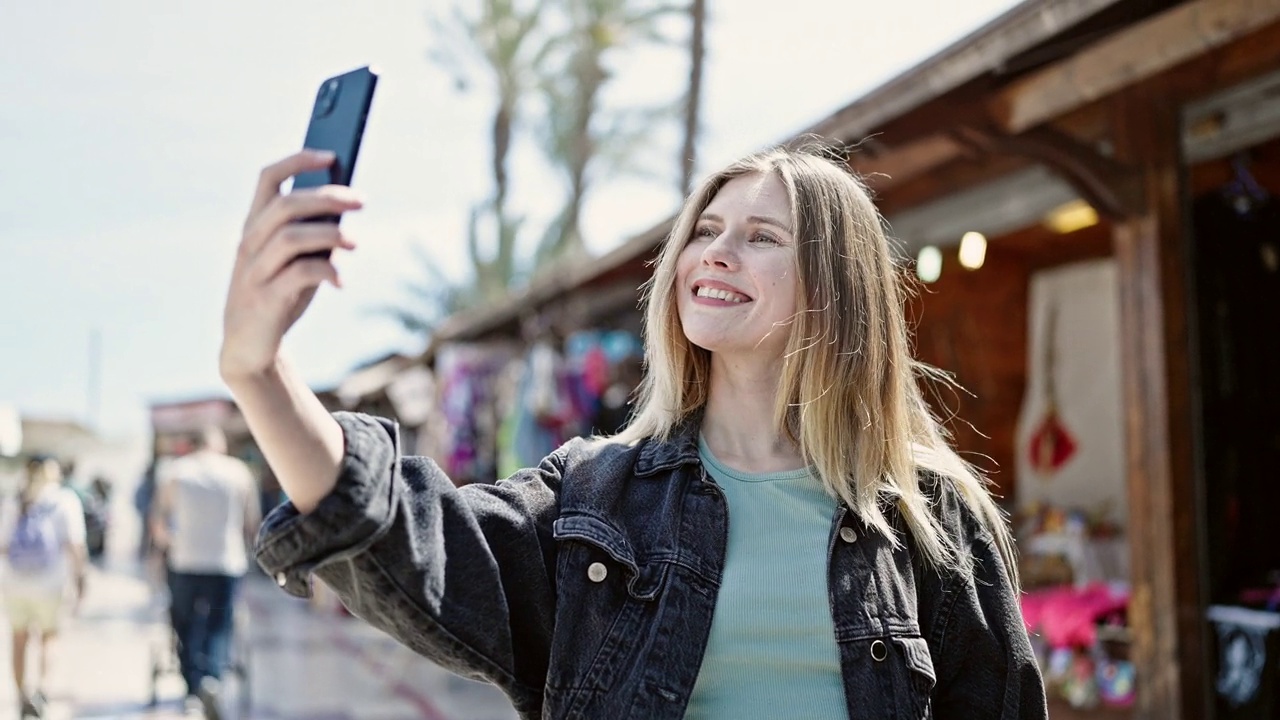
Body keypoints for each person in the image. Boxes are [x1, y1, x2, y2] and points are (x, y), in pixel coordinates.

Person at [221, 147, 1047, 719]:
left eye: (761, 237)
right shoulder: (598, 498)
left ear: (838, 290)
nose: (714, 254)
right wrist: (259, 374)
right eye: (706, 230)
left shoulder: (932, 520)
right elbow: (415, 536)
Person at [149, 426, 260, 718]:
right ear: (217, 443)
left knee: (185, 624)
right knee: (219, 624)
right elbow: (252, 523)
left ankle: (193, 686)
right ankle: (213, 677)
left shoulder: (176, 471)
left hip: (185, 561)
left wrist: (163, 551)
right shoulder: (238, 472)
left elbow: (159, 522)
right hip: (226, 562)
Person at [0, 455, 87, 719]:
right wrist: (81, 579)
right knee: (49, 637)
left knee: (18, 639)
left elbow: (3, 545)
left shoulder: (16, 499)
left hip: (15, 583)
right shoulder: (64, 500)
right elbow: (75, 545)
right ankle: (41, 691)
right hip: (51, 582)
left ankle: (20, 696)